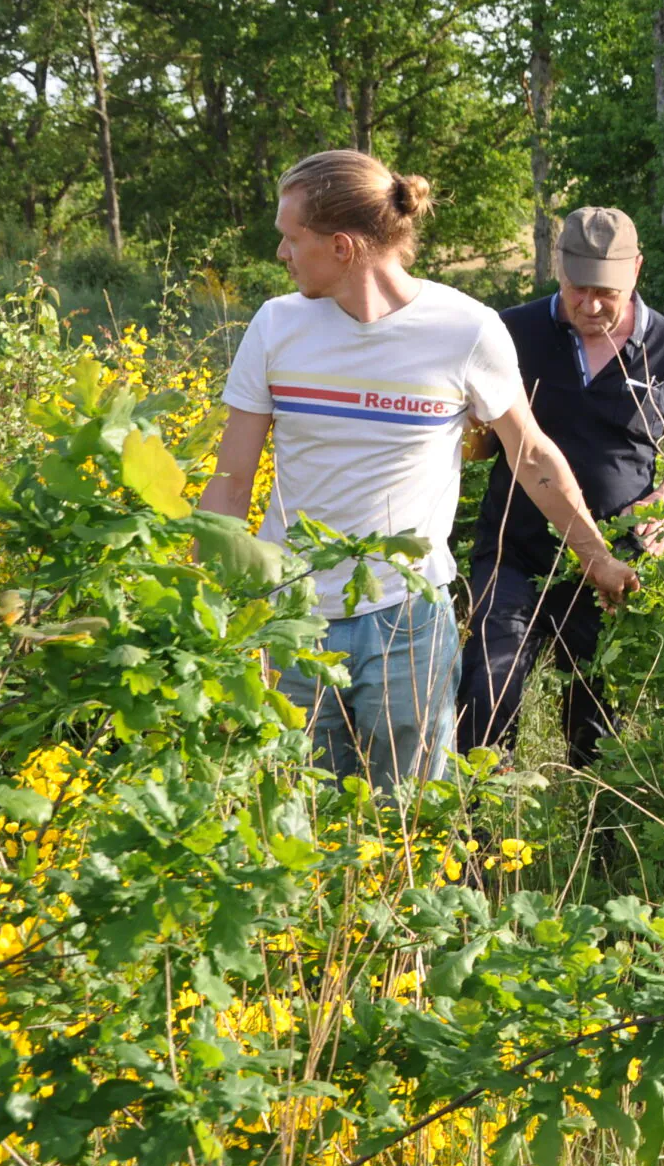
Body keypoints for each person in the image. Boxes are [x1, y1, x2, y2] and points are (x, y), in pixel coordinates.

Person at [199, 150, 636, 791]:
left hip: (408, 620)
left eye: (291, 239)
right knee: (299, 805)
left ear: (343, 247)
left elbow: (531, 453)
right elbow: (231, 480)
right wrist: (202, 605)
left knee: (406, 812)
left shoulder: (463, 330)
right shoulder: (276, 326)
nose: (282, 254)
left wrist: (595, 556)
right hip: (290, 615)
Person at [461, 207, 664, 768]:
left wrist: (663, 501)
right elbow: (476, 441)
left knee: (596, 730)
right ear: (557, 267)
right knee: (486, 695)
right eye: (578, 289)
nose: (591, 305)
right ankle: (475, 845)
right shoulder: (509, 333)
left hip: (612, 572)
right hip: (515, 553)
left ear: (637, 271)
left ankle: (596, 848)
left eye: (607, 292)